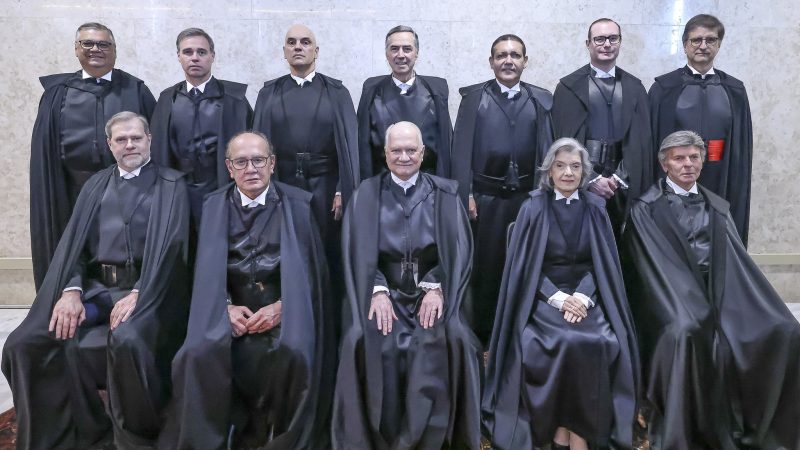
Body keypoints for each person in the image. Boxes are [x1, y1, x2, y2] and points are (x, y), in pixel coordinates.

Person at [4, 112, 189, 449]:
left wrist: (138, 293)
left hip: (146, 292)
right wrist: (71, 290)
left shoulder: (173, 185)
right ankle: (70, 430)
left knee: (128, 339)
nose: (129, 144)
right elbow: (73, 248)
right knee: (23, 343)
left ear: (150, 140)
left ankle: (135, 435)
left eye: (136, 137)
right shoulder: (95, 185)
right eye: (121, 139)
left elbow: (173, 253)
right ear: (109, 145)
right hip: (97, 292)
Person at [623, 130, 800, 449]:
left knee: (783, 328)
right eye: (679, 158)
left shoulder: (717, 207)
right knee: (686, 332)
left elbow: (736, 263)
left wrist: (727, 300)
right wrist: (694, 304)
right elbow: (653, 270)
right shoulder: (644, 209)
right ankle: (684, 431)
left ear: (703, 162)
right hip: (671, 298)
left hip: (721, 291)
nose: (688, 164)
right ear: (665, 164)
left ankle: (769, 428)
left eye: (694, 157)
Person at [160, 132, 335, 449]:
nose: (250, 168)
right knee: (195, 353)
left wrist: (282, 306)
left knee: (295, 350)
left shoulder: (299, 205)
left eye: (258, 160)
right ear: (229, 167)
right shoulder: (211, 207)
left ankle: (282, 438)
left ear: (272, 164)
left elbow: (313, 271)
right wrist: (223, 307)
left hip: (283, 310)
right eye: (241, 161)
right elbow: (202, 272)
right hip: (228, 310)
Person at [483, 138, 638, 450]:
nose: (568, 172)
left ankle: (577, 434)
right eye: (561, 166)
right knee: (559, 341)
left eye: (576, 166)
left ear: (584, 172)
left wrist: (581, 297)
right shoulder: (532, 208)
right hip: (541, 300)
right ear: (549, 171)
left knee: (597, 340)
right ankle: (558, 431)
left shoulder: (596, 208)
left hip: (586, 300)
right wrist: (556, 298)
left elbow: (603, 265)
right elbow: (525, 269)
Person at [333, 122, 481, 449]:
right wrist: (377, 289)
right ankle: (376, 437)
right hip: (384, 293)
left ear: (423, 153)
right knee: (365, 337)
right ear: (384, 154)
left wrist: (438, 286)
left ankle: (436, 436)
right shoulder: (365, 195)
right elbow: (355, 251)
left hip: (433, 294)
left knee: (451, 336)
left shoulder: (445, 193)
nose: (404, 156)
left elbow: (459, 250)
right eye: (396, 150)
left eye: (410, 150)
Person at [31, 22, 157, 291]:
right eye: (87, 43)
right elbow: (46, 151)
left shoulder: (135, 90)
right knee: (74, 257)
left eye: (103, 44)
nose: (95, 49)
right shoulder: (58, 94)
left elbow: (153, 147)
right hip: (72, 193)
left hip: (129, 195)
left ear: (114, 50)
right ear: (76, 48)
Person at [253, 23, 360, 334]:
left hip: (327, 189)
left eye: (305, 42)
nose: (298, 46)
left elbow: (348, 146)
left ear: (316, 50)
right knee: (286, 254)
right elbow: (258, 143)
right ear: (284, 51)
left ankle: (329, 325)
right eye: (291, 42)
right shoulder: (269, 93)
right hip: (282, 187)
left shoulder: (337, 92)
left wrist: (343, 188)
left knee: (327, 255)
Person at [451, 34, 554, 345]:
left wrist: (544, 196)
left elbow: (548, 151)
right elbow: (460, 150)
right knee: (486, 269)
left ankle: (519, 331)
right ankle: (482, 336)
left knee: (523, 265)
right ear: (491, 62)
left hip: (527, 199)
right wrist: (465, 193)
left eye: (515, 55)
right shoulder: (474, 100)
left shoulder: (541, 100)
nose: (508, 61)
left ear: (525, 61)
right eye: (501, 55)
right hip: (484, 201)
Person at [649, 14, 752, 245]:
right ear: (685, 44)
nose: (703, 46)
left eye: (710, 40)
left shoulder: (734, 90)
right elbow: (652, 143)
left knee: (717, 244)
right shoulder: (664, 89)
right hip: (674, 182)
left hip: (721, 177)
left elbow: (740, 148)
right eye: (696, 40)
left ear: (719, 45)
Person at [552, 18, 652, 238]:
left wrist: (618, 178)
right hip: (582, 180)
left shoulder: (635, 87)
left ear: (620, 42)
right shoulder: (568, 87)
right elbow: (562, 140)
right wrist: (592, 179)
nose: (606, 44)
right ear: (588, 44)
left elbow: (641, 141)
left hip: (624, 182)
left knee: (623, 248)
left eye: (612, 38)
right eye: (599, 39)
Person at [150, 27, 252, 228]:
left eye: (201, 52)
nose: (194, 57)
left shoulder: (234, 98)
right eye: (188, 52)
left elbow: (252, 145)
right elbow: (158, 150)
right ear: (178, 56)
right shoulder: (167, 99)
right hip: (179, 188)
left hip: (222, 184)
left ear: (212, 56)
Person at [357, 25, 453, 177]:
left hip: (428, 184)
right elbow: (362, 145)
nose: (400, 55)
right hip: (382, 185)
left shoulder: (435, 90)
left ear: (416, 54)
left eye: (407, 49)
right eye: (394, 49)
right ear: (386, 54)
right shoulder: (372, 90)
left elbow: (445, 146)